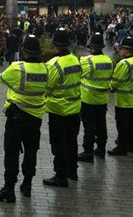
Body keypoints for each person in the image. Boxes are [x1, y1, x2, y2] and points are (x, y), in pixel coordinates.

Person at [0, 35, 48, 203]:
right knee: (31, 152)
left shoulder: (17, 68)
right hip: (36, 117)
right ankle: (27, 185)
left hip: (16, 117)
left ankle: (9, 189)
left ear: (24, 51)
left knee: (12, 153)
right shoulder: (45, 69)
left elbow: (0, 79)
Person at [43, 28, 82, 187]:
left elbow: (47, 86)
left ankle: (60, 175)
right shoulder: (75, 59)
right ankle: (72, 171)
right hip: (74, 108)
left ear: (54, 43)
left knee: (58, 143)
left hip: (58, 109)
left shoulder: (54, 63)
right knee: (72, 141)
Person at [77, 32, 113, 162]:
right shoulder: (108, 61)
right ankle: (101, 149)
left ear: (91, 46)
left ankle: (87, 151)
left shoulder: (87, 61)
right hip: (103, 99)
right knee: (101, 125)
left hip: (88, 99)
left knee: (89, 127)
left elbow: (78, 75)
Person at [108, 37, 133, 156]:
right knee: (132, 123)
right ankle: (131, 145)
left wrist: (111, 88)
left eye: (121, 48)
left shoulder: (123, 63)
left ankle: (121, 147)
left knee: (122, 124)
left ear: (127, 50)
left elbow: (116, 81)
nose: (119, 50)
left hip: (123, 100)